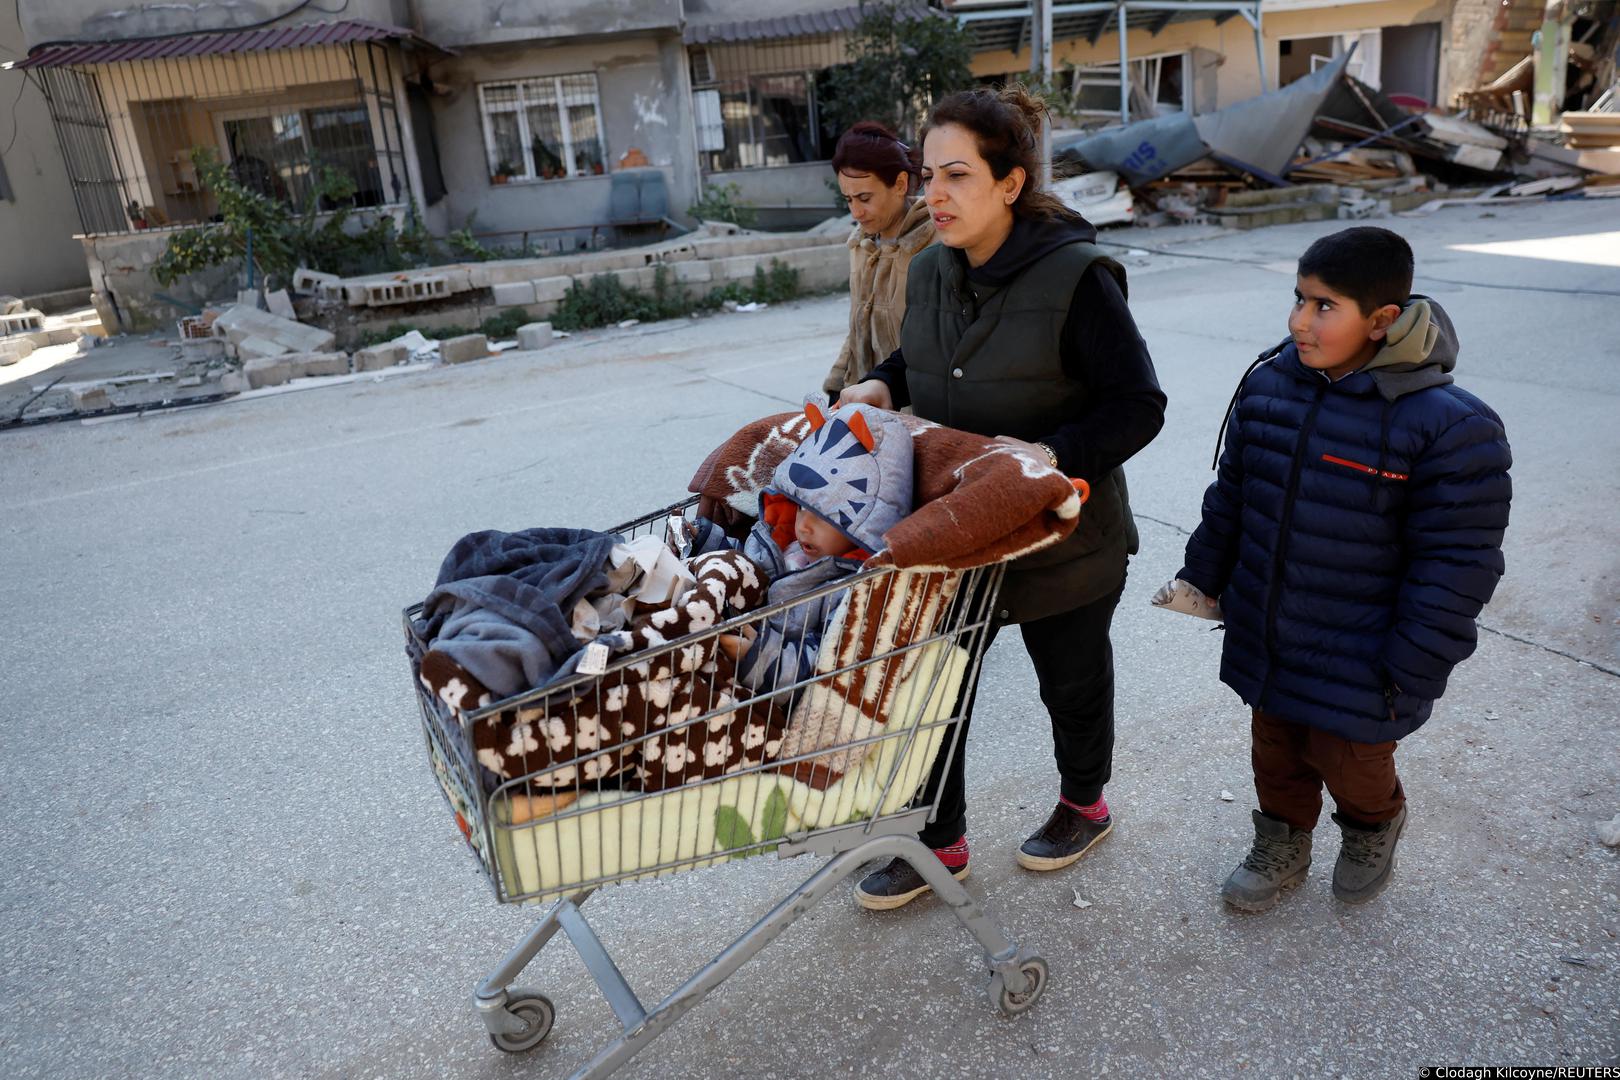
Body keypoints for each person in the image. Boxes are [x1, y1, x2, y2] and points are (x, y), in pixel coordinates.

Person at [839, 86, 1166, 910]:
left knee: (1072, 681)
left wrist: (1051, 454)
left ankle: (1082, 805)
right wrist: (878, 387)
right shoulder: (929, 270)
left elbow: (1138, 404)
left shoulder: (1078, 278)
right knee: (932, 692)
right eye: (927, 175)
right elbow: (920, 361)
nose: (934, 195)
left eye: (957, 176)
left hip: (1063, 534)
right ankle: (938, 842)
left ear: (1010, 184)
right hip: (957, 530)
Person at [1162, 226, 1511, 912]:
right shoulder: (1269, 390)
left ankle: (1373, 824)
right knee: (1276, 754)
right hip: (1269, 627)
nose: (1298, 320)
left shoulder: (1450, 427)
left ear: (1382, 321)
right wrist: (1202, 576)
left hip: (1366, 653)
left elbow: (1457, 564)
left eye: (1324, 306)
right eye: (1298, 299)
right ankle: (1282, 840)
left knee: (1352, 763)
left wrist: (1409, 664)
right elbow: (1232, 497)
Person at [691, 399, 914, 696]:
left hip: (763, 690)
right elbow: (746, 568)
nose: (803, 526)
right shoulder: (783, 541)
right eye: (800, 508)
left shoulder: (850, 592)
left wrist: (754, 656)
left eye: (821, 516)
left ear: (864, 525)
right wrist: (707, 541)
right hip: (715, 638)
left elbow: (825, 667)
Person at [822, 122, 936, 401]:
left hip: (912, 408)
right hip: (860, 401)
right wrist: (837, 388)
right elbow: (857, 327)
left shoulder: (935, 244)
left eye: (864, 197)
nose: (856, 211)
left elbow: (936, 343)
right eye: (848, 199)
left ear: (899, 184)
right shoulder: (860, 245)